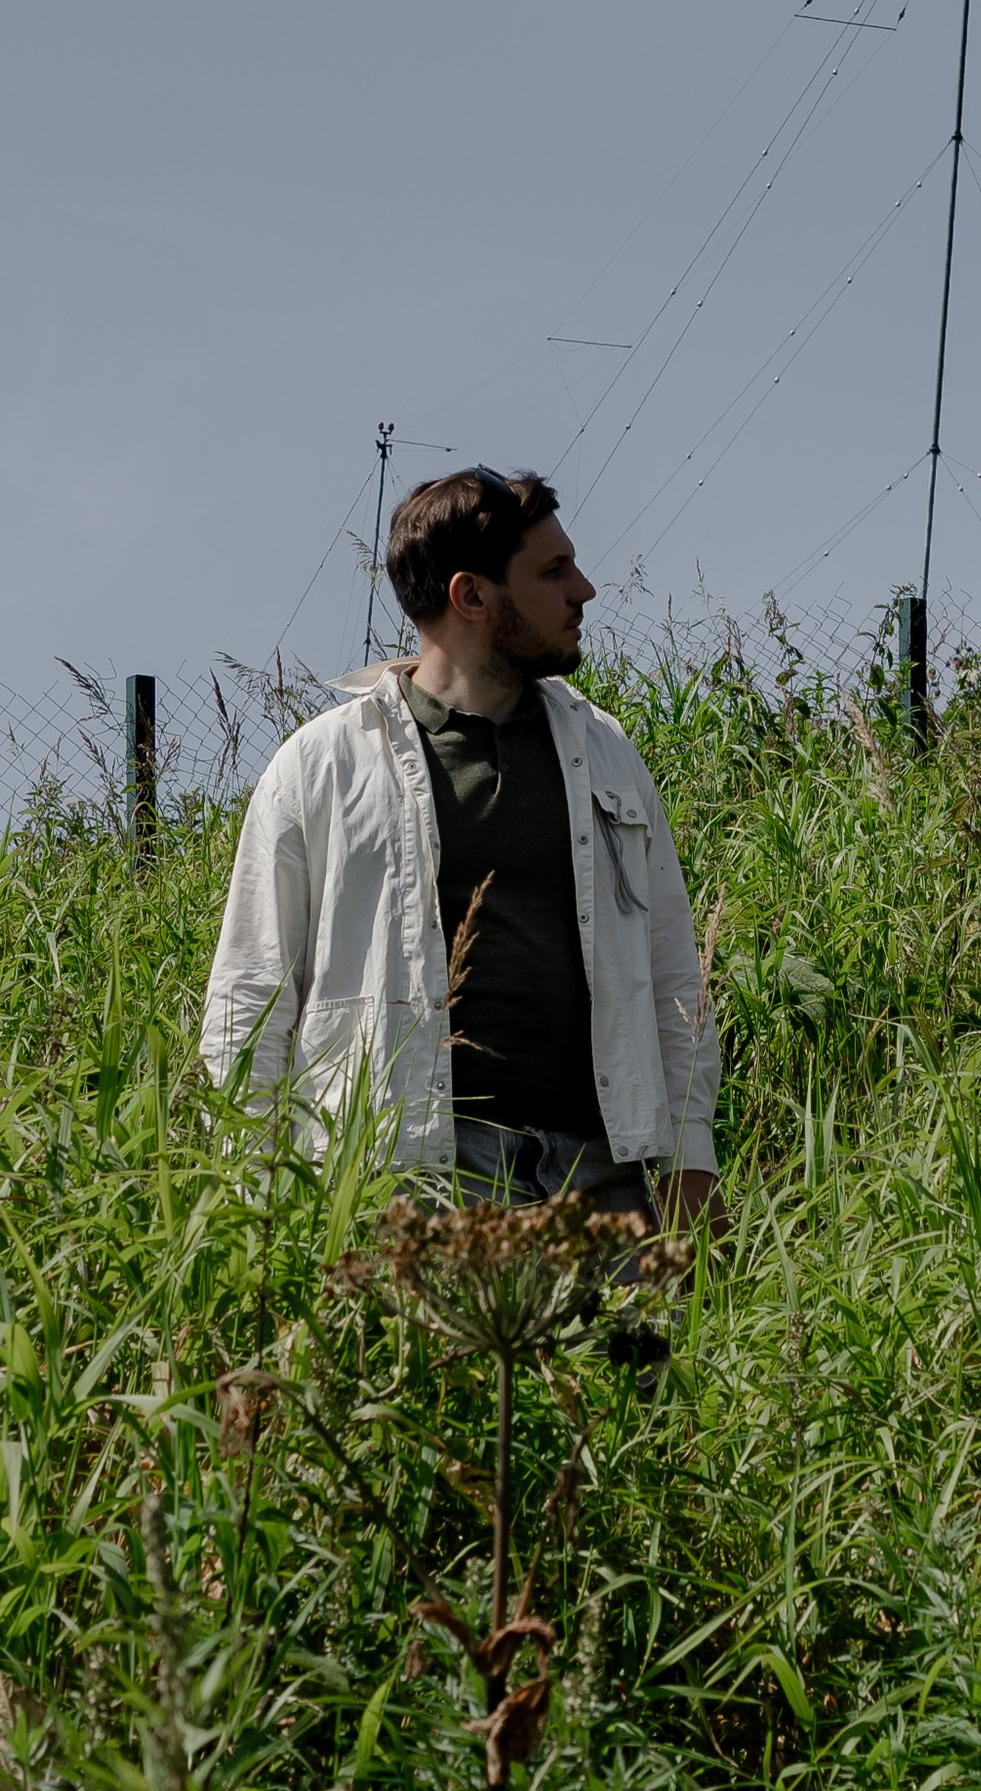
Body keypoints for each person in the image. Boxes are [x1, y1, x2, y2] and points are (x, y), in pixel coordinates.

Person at [201, 466, 722, 1226]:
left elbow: (673, 972)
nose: (585, 590)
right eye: (554, 571)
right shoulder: (322, 767)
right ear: (472, 597)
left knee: (641, 1352)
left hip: (604, 1176)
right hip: (410, 1179)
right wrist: (252, 1201)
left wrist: (690, 1158)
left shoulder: (607, 753)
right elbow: (250, 997)